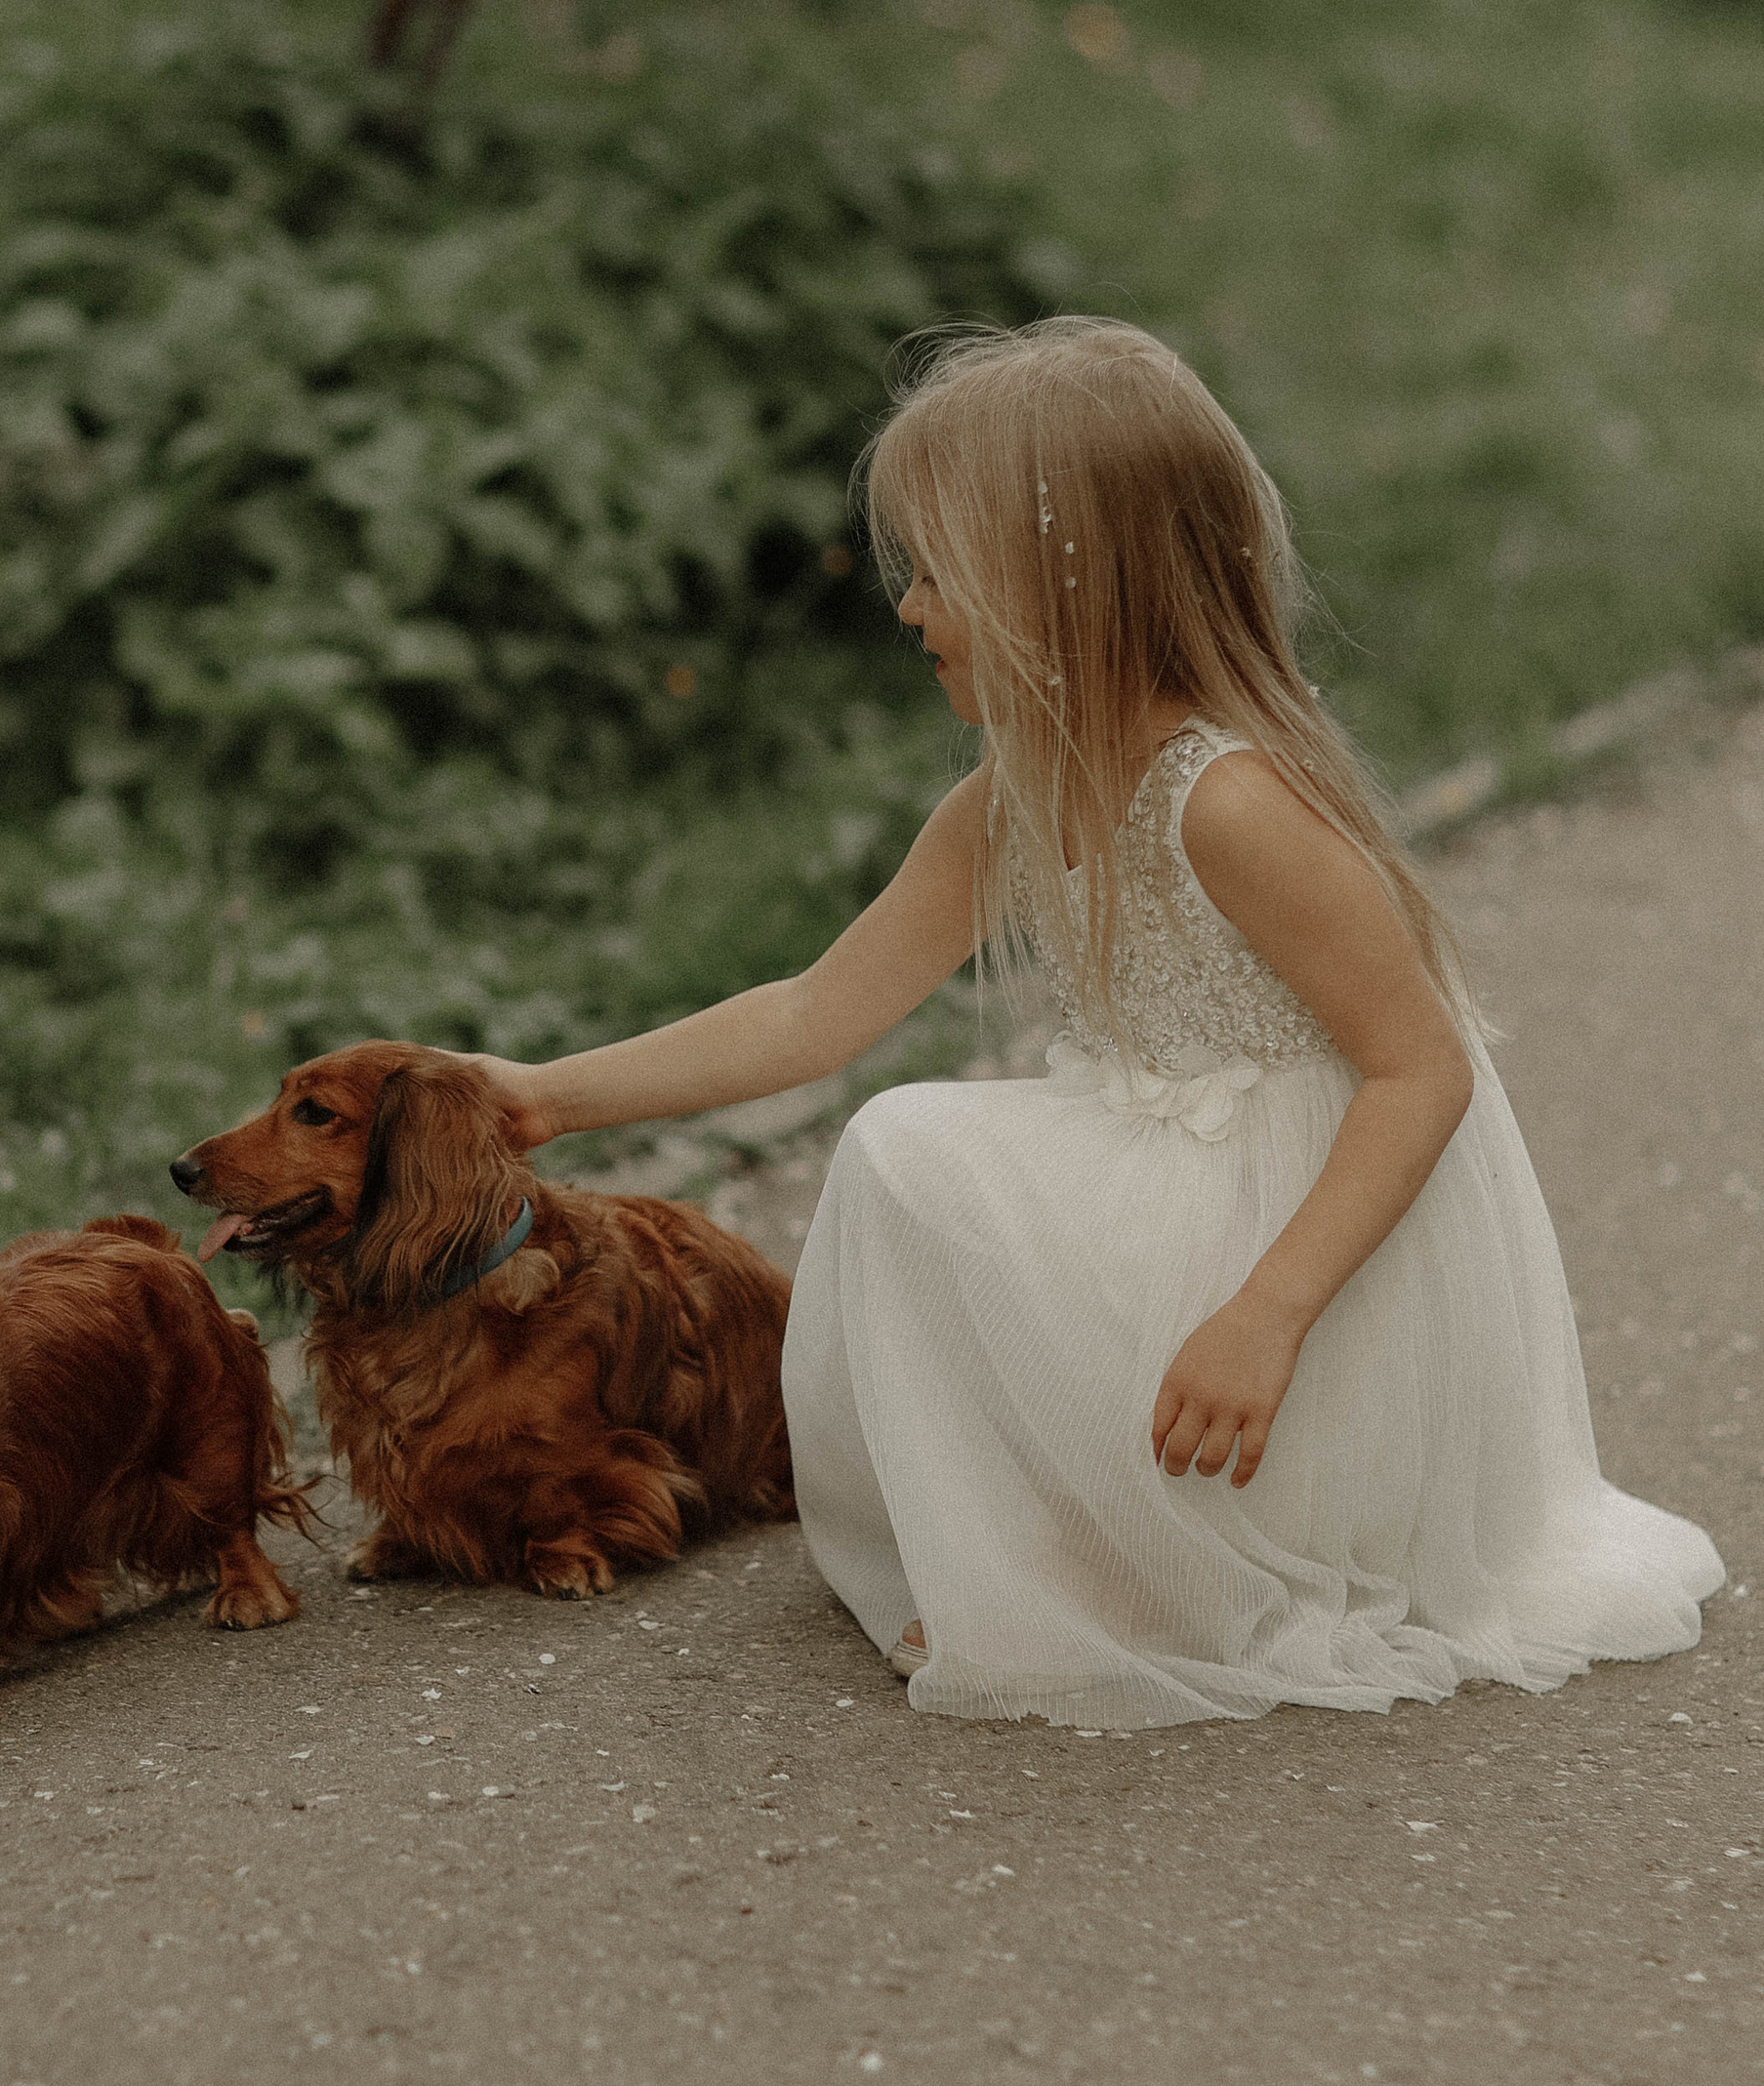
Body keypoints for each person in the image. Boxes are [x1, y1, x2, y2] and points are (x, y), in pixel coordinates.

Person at [467, 316, 1720, 1726]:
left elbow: (1419, 1069)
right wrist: (549, 1094)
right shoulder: (1018, 791)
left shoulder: (1229, 803)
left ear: (1054, 586)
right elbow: (818, 1012)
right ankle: (1064, 1540)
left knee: (922, 1158)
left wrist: (1269, 1313)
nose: (907, 606)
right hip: (1169, 1165)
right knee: (910, 1160)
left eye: (938, 571)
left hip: (1316, 1224)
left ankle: (1158, 1561)